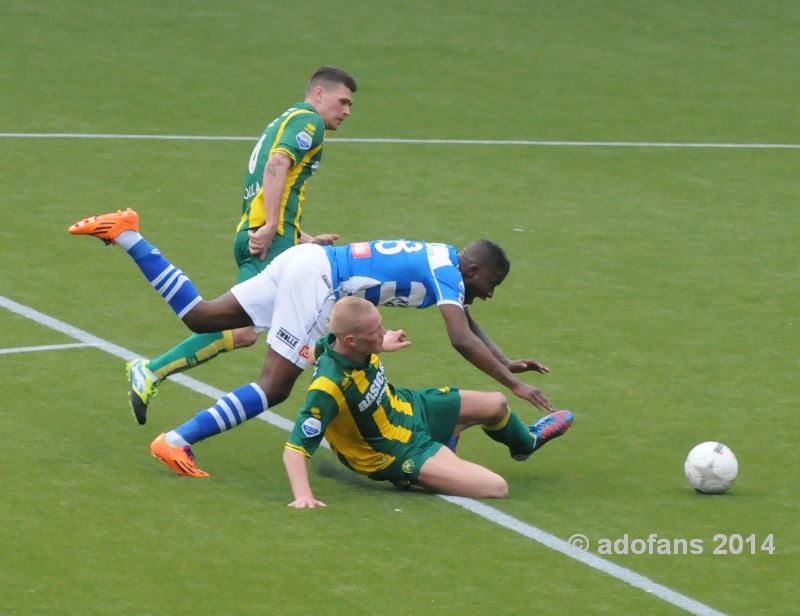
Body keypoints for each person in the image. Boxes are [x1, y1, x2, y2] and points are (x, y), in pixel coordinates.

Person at [68, 209, 556, 478]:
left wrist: (505, 358)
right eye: (491, 283)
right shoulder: (448, 273)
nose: (489, 293)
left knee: (202, 317)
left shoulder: (443, 262)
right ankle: (175, 442)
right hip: (318, 283)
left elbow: (467, 324)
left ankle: (128, 235)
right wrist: (512, 384)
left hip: (307, 264)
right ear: (473, 270)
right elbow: (459, 338)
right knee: (275, 386)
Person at [125, 66, 357, 426]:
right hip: (268, 239)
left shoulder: (284, 121)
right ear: (320, 94)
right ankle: (151, 372)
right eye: (343, 102)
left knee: (245, 329)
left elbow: (274, 179)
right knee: (322, 309)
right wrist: (272, 227)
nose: (346, 111)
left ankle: (152, 372)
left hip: (265, 236)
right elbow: (278, 165)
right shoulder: (308, 122)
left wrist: (301, 236)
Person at [284, 297, 573, 507]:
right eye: (376, 332)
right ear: (350, 341)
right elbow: (295, 448)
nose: (383, 332)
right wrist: (303, 497)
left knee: (496, 403)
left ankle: (525, 444)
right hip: (395, 451)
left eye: (381, 325)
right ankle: (422, 469)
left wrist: (383, 343)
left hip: (410, 407)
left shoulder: (335, 344)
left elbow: (318, 352)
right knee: (496, 487)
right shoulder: (328, 388)